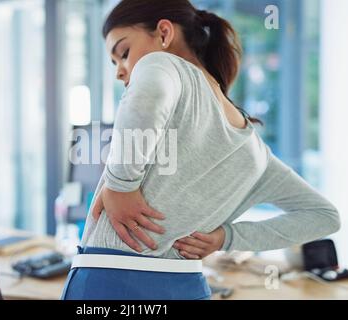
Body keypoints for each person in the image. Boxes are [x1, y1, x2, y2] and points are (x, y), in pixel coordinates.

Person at [61, 0, 341, 300]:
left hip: (112, 281)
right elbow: (324, 216)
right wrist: (226, 238)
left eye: (124, 53)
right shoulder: (255, 151)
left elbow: (147, 98)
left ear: (164, 33)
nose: (120, 71)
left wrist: (121, 185)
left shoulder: (160, 63)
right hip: (188, 287)